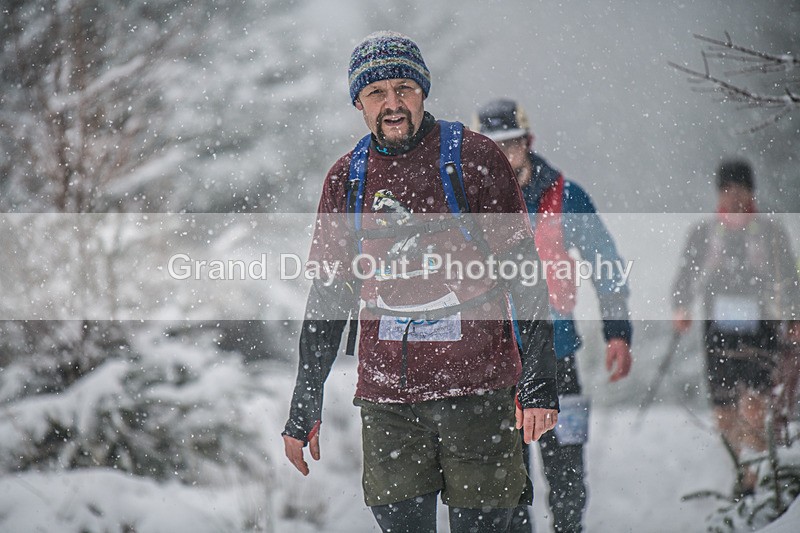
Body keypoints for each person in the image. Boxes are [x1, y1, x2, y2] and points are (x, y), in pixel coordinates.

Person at [282, 32, 560, 533]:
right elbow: (328, 296)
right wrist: (306, 401)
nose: (392, 104)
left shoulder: (474, 160)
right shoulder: (347, 180)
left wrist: (539, 381)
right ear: (358, 104)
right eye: (376, 93)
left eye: (403, 88)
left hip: (478, 393)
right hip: (390, 403)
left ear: (423, 91)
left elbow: (525, 276)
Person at [473, 99, 633, 533]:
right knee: (507, 485)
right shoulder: (468, 205)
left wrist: (618, 333)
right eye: (493, 147)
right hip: (495, 365)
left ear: (528, 142)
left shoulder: (565, 197)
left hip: (559, 360)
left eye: (511, 145)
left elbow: (607, 265)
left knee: (567, 478)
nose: (503, 156)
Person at [672, 158, 800, 497]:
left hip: (761, 328)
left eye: (740, 189)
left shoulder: (771, 233)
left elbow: (789, 277)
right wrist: (681, 305)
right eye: (727, 189)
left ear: (751, 191)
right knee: (725, 405)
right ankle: (739, 465)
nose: (734, 197)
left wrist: (793, 315)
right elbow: (685, 274)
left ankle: (756, 474)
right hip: (718, 329)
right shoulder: (704, 233)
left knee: (757, 402)